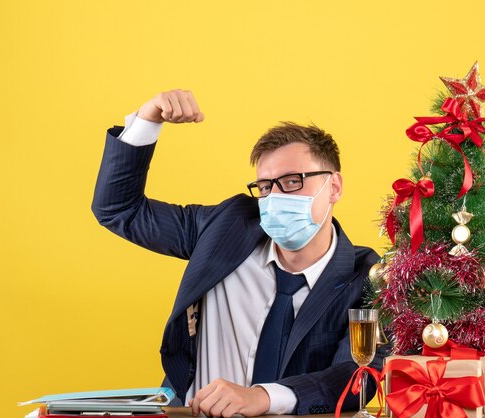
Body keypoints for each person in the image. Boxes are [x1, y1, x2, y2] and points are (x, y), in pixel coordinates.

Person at [92, 89, 389, 417]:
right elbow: (119, 209)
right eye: (265, 186)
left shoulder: (368, 277)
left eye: (292, 181)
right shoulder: (227, 227)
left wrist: (264, 397)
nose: (275, 197)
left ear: (333, 187)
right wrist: (147, 121)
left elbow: (359, 377)